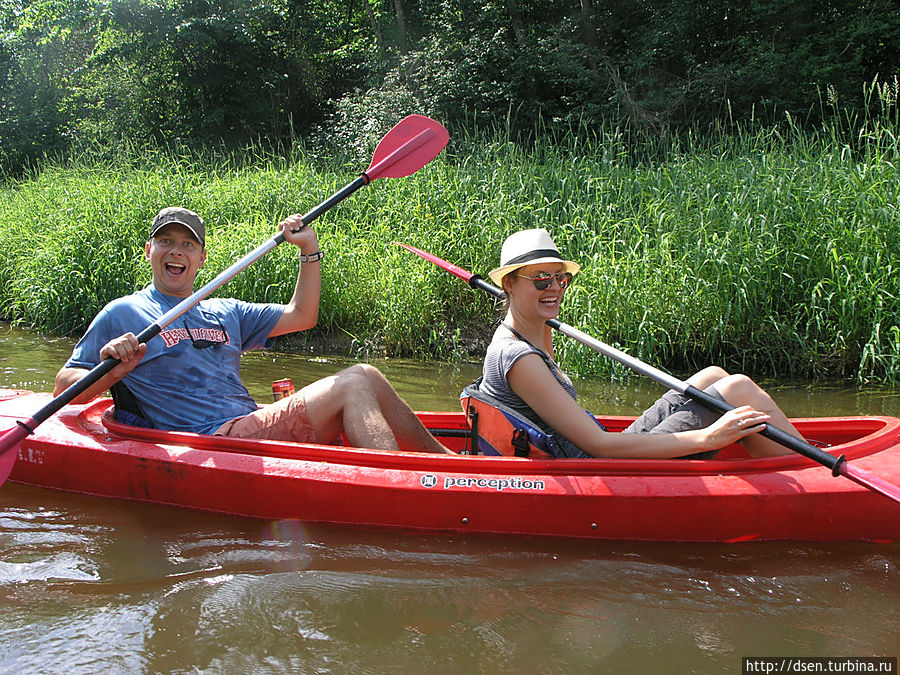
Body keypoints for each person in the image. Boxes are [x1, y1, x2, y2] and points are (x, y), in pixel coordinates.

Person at [54, 206, 454, 454]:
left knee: (370, 376)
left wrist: (308, 251)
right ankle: (398, 477)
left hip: (247, 426)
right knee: (354, 382)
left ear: (201, 258)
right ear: (150, 251)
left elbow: (303, 315)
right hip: (210, 439)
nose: (176, 251)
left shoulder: (225, 310)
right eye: (166, 242)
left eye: (188, 245)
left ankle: (443, 464)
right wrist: (112, 367)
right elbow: (63, 388)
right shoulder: (124, 312)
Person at [478, 227, 804, 459]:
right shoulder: (519, 358)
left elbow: (534, 312)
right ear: (509, 284)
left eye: (560, 278)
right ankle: (808, 470)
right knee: (738, 390)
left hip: (598, 453)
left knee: (713, 376)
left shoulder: (531, 331)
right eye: (540, 279)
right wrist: (709, 437)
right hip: (599, 468)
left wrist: (537, 303)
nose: (555, 287)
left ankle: (792, 458)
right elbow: (600, 446)